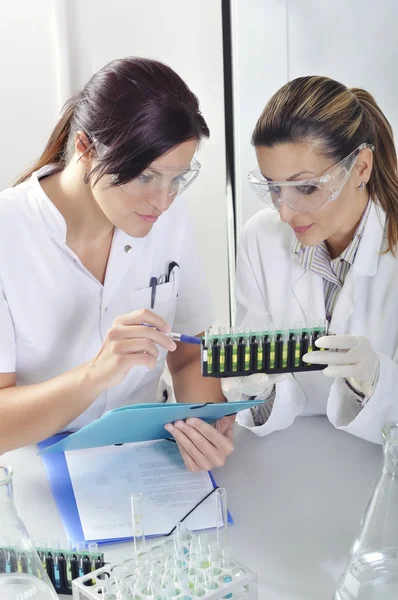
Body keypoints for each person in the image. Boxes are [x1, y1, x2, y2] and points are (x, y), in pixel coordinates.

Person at [0, 57, 234, 470]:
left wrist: (206, 419)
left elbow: (188, 353)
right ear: (86, 148)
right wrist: (96, 373)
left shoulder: (168, 217)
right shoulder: (9, 235)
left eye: (177, 179)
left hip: (148, 455)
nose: (163, 201)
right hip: (37, 468)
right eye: (145, 177)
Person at [222, 75, 398, 444]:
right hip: (296, 457)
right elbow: (267, 402)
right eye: (274, 188)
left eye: (305, 188)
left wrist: (375, 377)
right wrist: (258, 392)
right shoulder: (261, 238)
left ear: (361, 167)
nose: (286, 213)